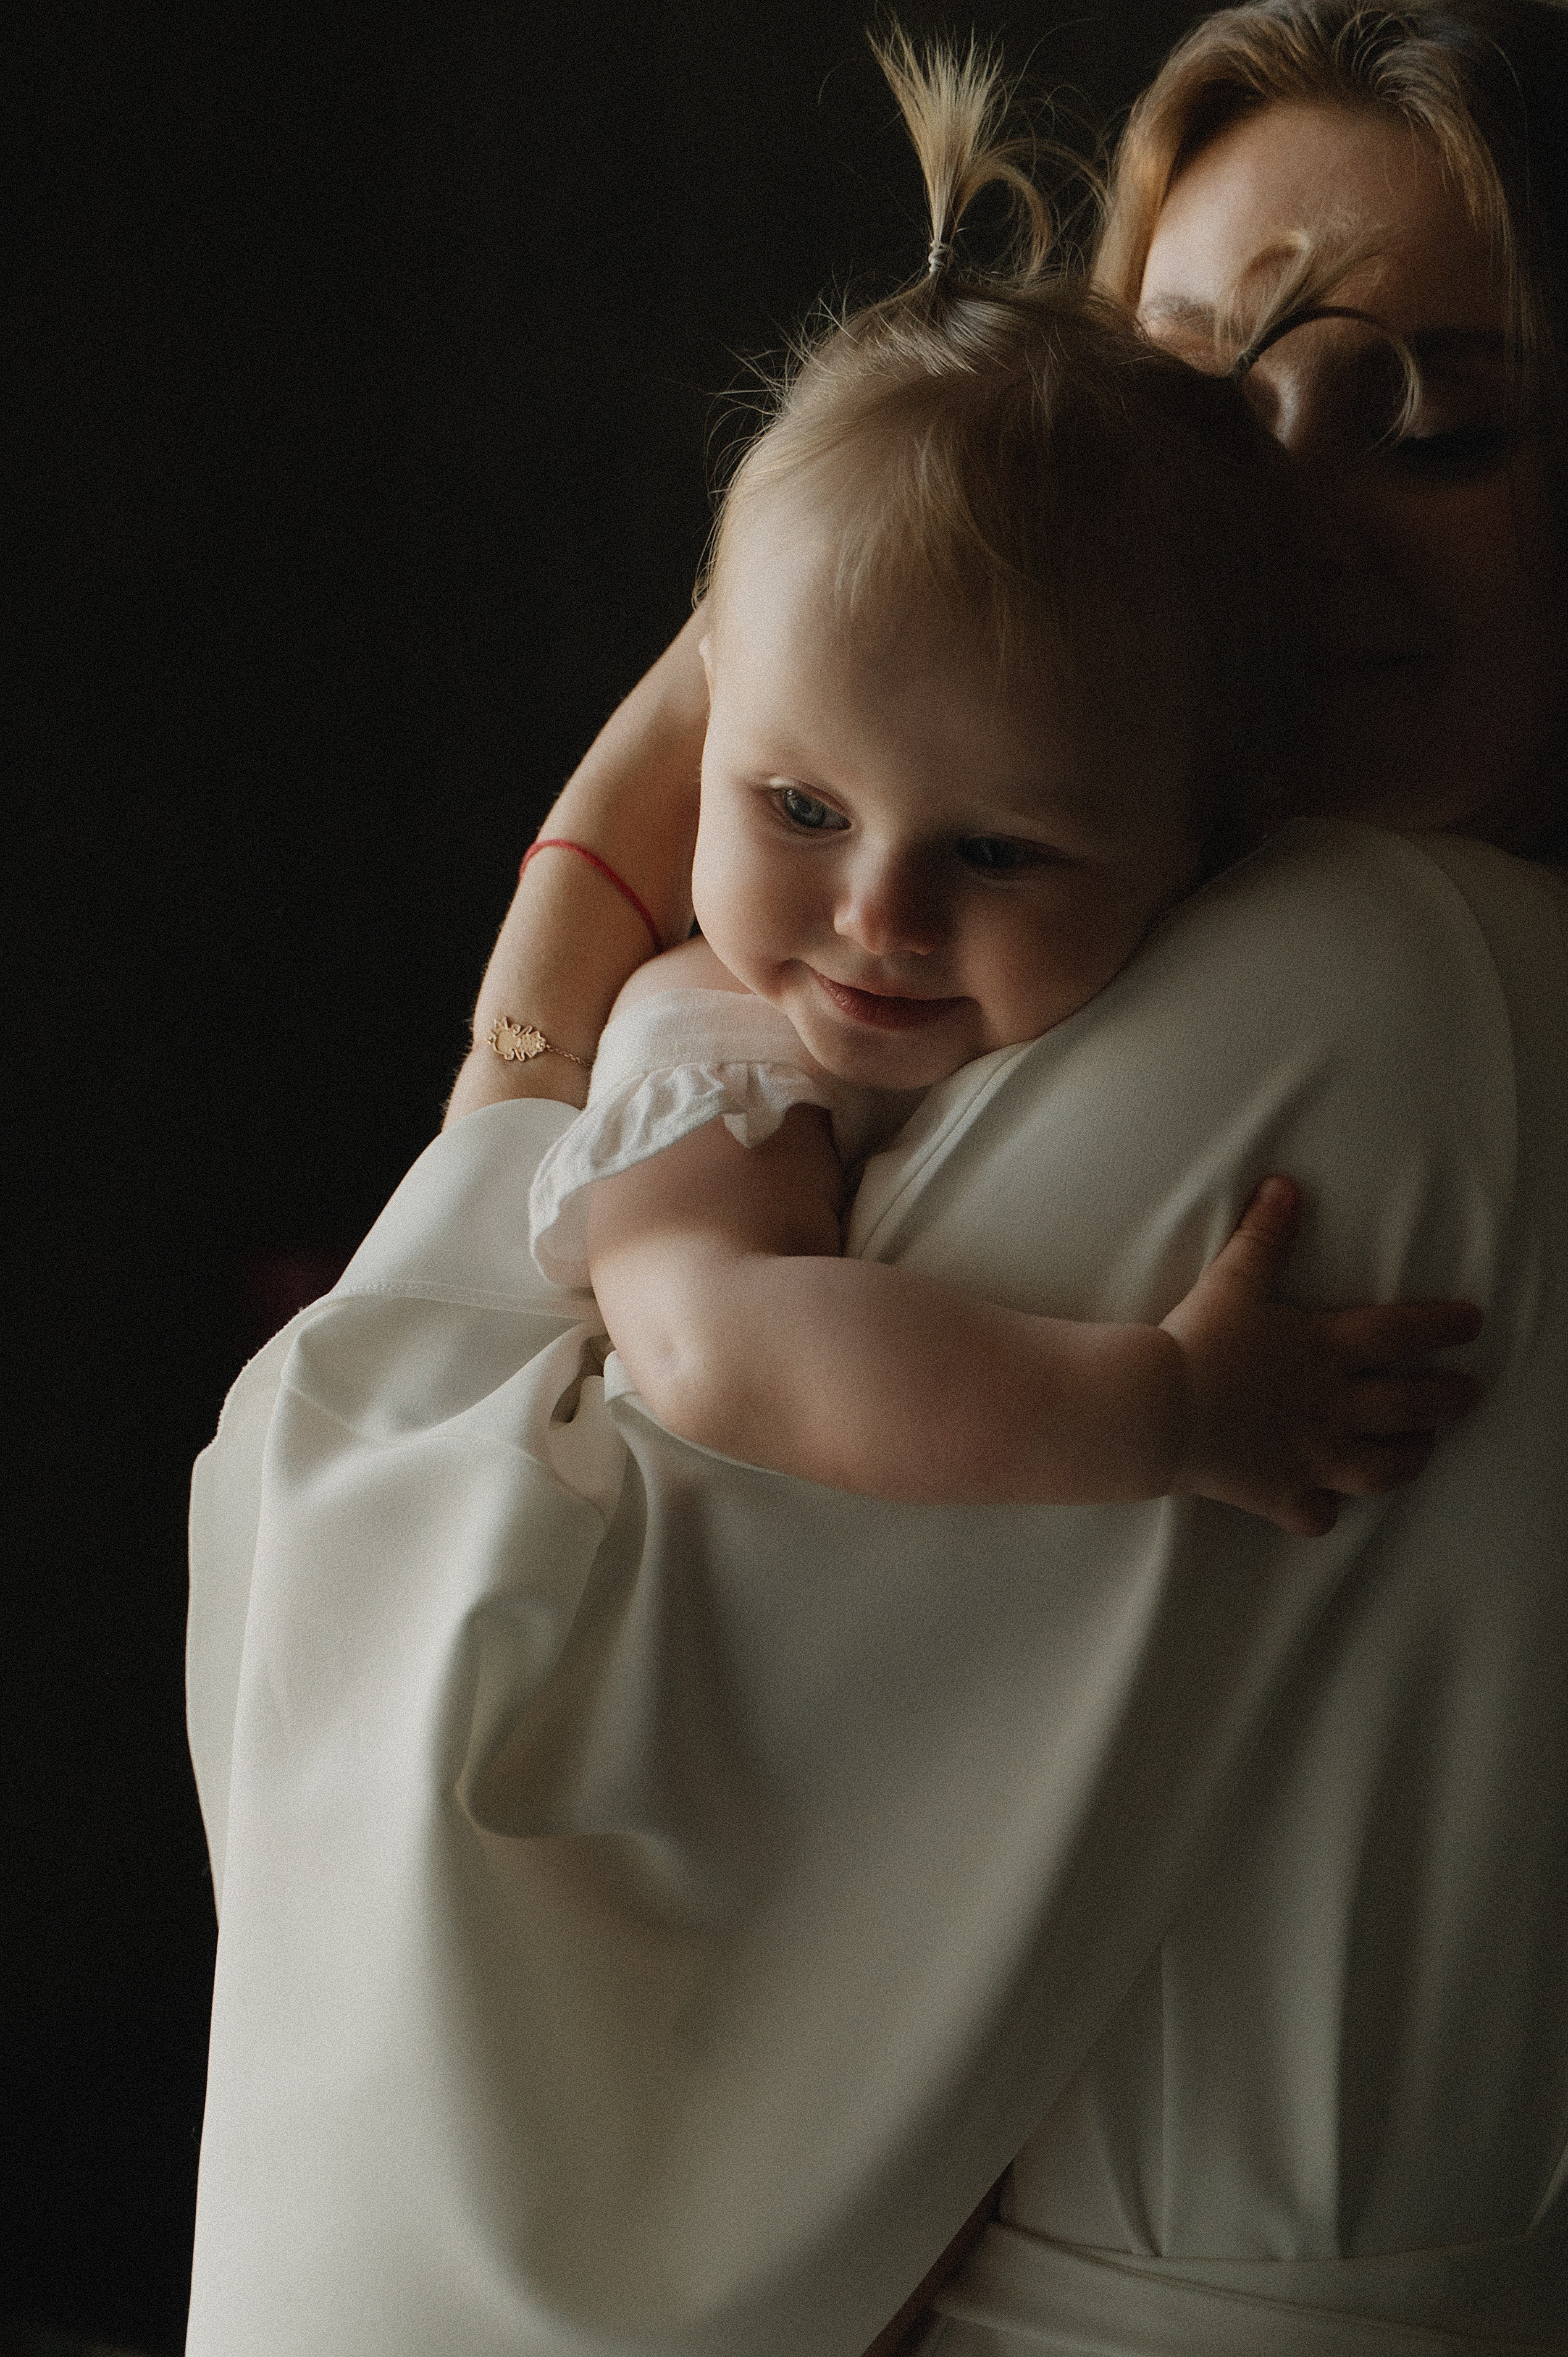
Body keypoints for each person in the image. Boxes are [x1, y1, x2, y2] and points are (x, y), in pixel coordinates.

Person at [185, 7, 1568, 2354]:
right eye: (1187, 394)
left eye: (1428, 420)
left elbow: (435, 1647)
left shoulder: (1384, 976)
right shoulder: (900, 997)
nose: (1277, 512)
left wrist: (603, 873)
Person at [524, 39, 1478, 1537]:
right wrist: (1165, 1410)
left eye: (995, 850)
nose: (878, 913)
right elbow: (714, 1347)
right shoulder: (716, 1057)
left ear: (1201, 829)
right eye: (802, 811)